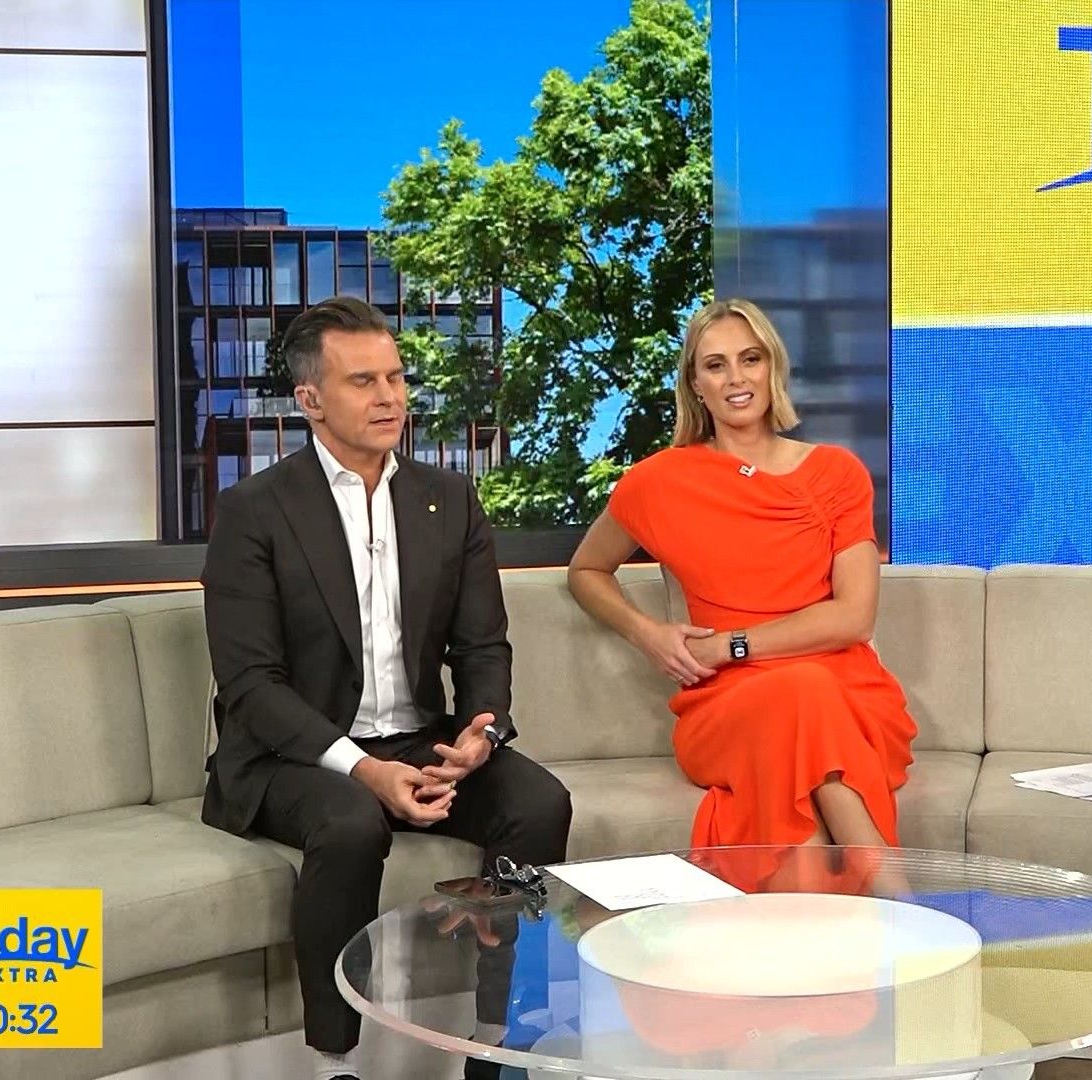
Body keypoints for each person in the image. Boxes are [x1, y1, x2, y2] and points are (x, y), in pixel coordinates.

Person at [200, 296, 572, 1080]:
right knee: (350, 823)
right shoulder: (254, 512)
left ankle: (500, 1039)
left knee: (539, 803)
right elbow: (251, 686)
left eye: (396, 378)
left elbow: (482, 646)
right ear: (310, 399)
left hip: (416, 737)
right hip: (291, 755)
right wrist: (364, 770)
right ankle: (334, 1060)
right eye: (363, 381)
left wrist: (481, 732)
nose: (390, 397)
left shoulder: (448, 499)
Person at [566, 298, 917, 873]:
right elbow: (586, 571)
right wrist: (648, 634)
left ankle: (827, 914)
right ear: (695, 384)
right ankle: (899, 903)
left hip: (845, 690)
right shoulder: (660, 481)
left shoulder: (837, 473)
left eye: (750, 359)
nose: (736, 378)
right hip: (726, 703)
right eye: (716, 365)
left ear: (772, 367)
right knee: (802, 700)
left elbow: (854, 618)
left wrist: (729, 646)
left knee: (806, 700)